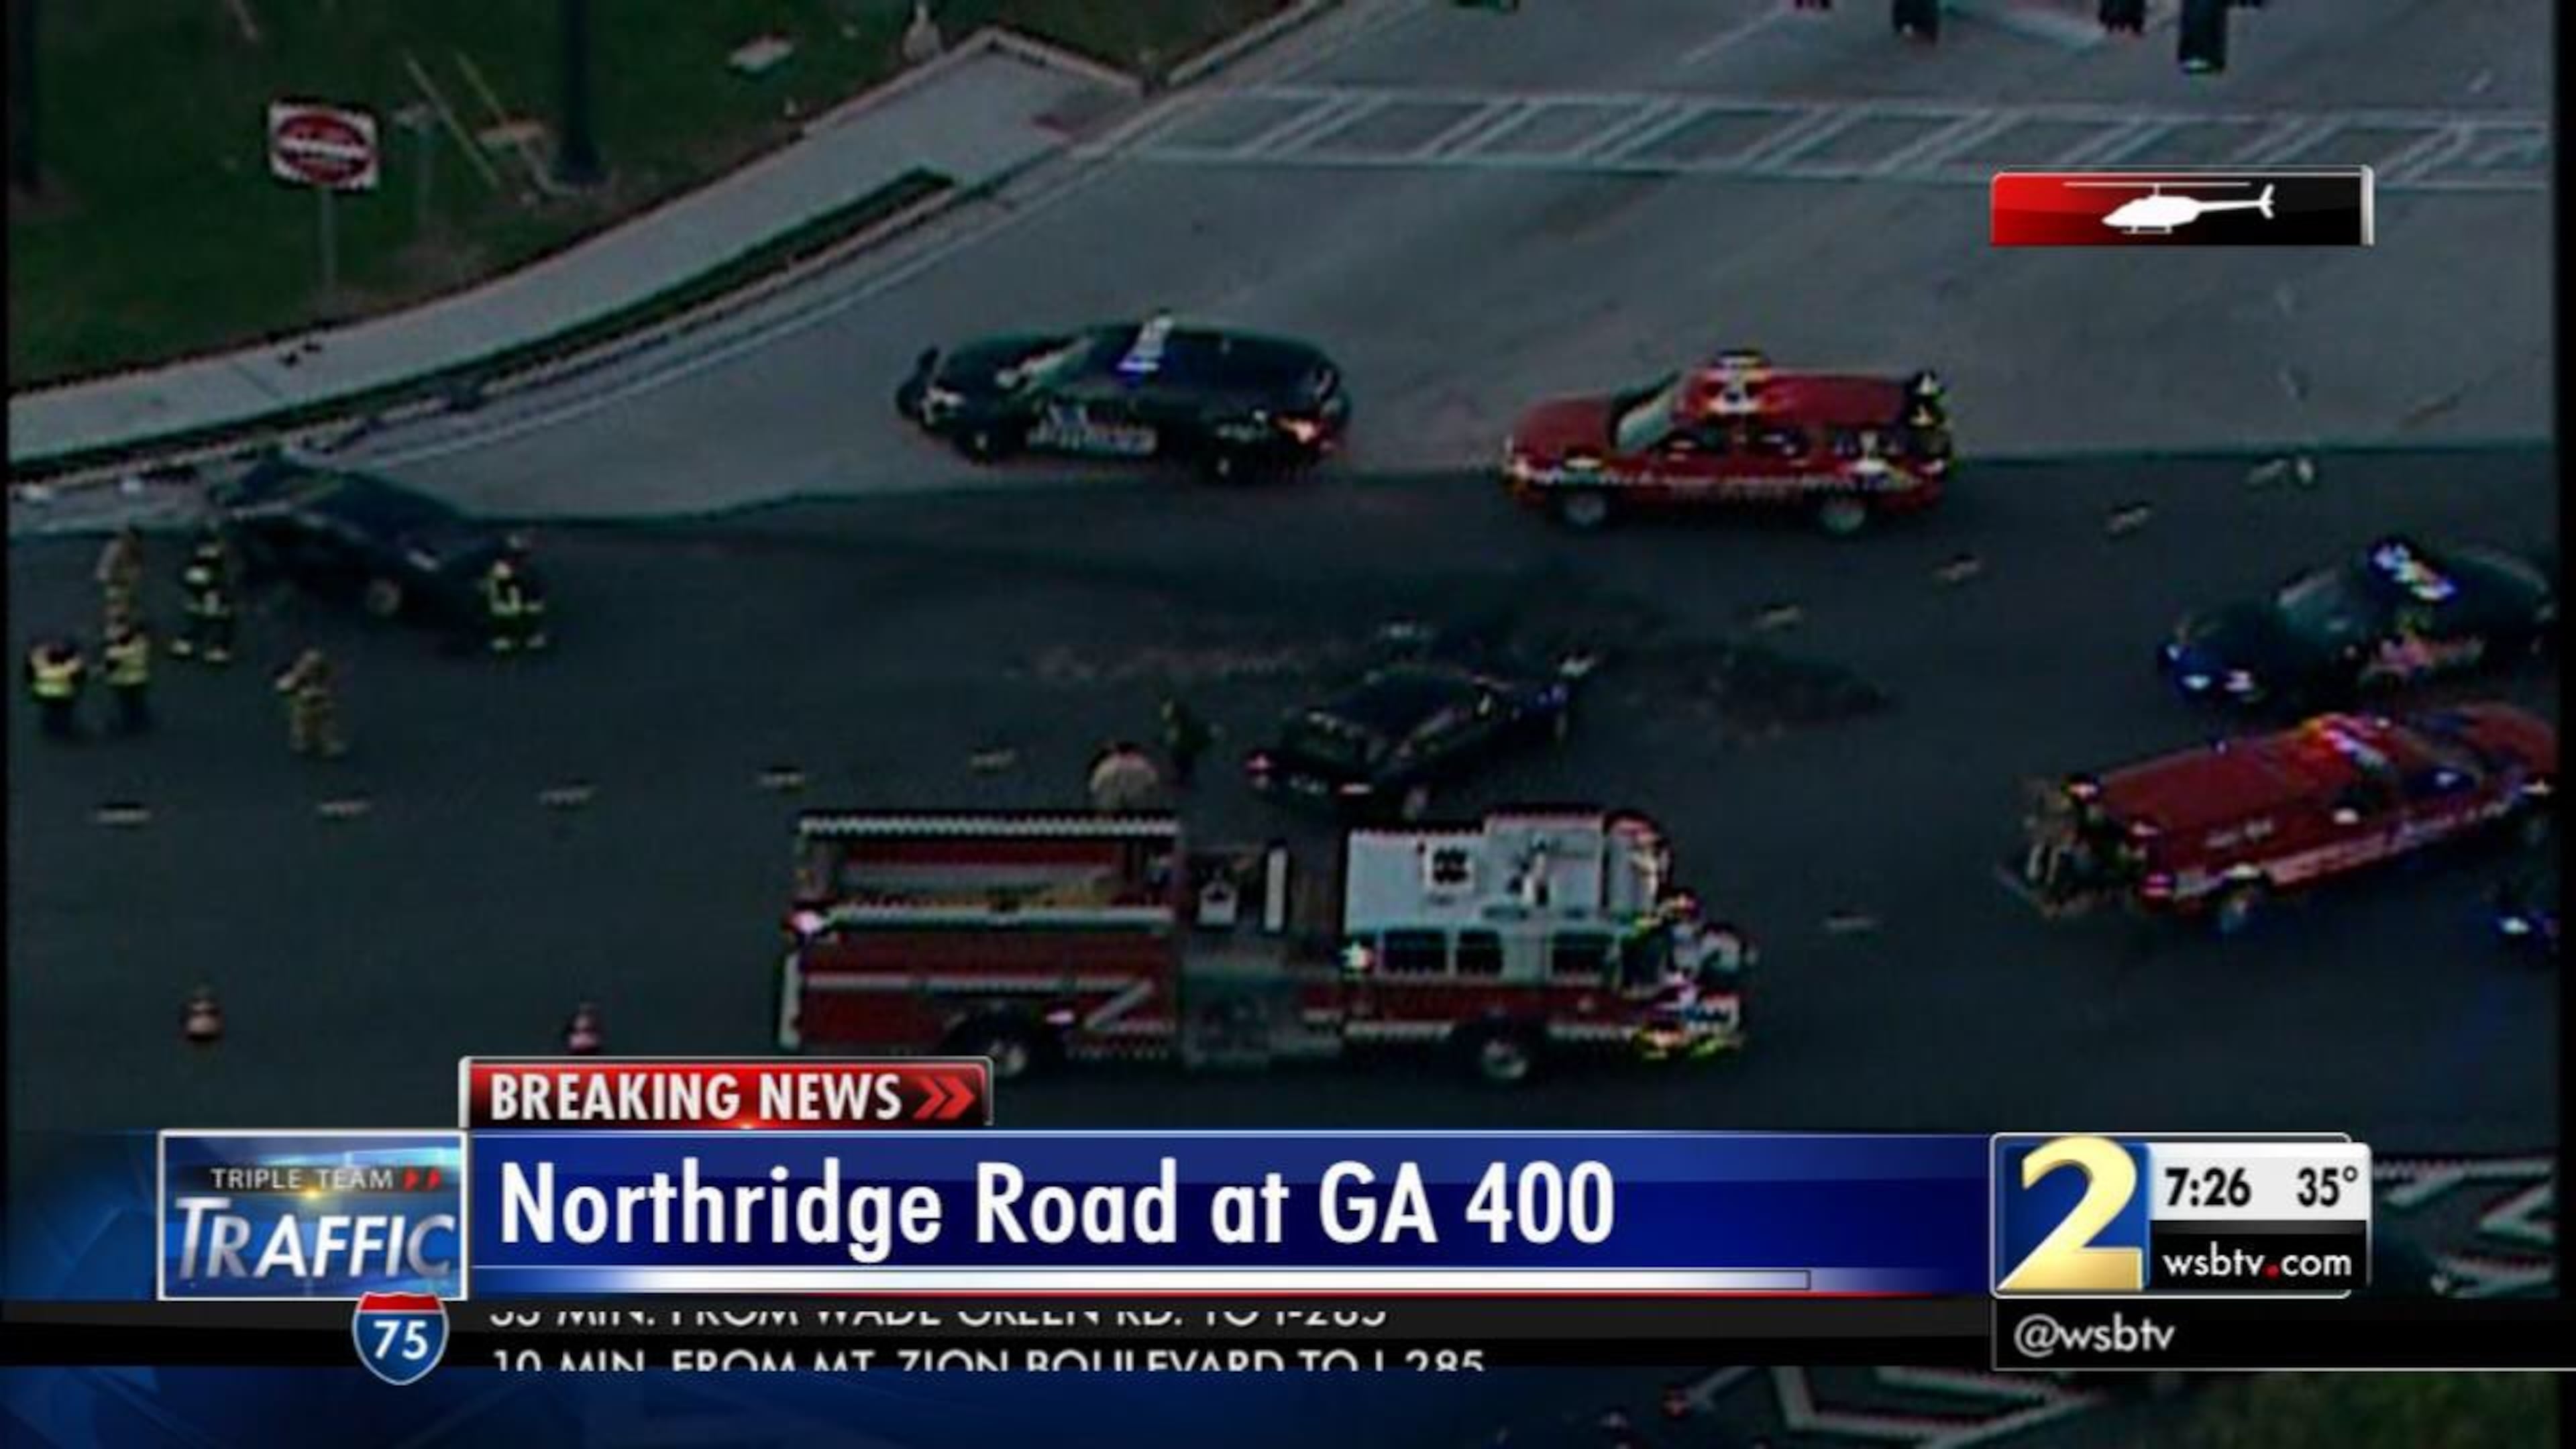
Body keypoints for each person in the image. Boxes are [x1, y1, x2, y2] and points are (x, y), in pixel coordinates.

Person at [173, 528, 237, 664]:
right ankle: (192, 640)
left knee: (219, 617)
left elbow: (226, 576)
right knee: (200, 616)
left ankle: (219, 646)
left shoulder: (223, 564)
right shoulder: (198, 561)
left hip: (216, 593)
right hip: (204, 592)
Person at [274, 648, 346, 758]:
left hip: (321, 709)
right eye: (308, 666)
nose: (311, 670)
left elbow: (330, 692)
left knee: (325, 727)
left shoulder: (323, 679)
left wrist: (322, 697)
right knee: (302, 726)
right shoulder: (296, 678)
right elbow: (283, 688)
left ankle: (328, 744)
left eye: (315, 666)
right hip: (302, 708)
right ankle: (303, 740)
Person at [25, 637, 87, 740]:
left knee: (50, 711)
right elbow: (79, 674)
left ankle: (50, 728)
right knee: (64, 712)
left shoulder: (41, 664)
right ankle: (62, 729)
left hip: (44, 693)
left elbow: (30, 672)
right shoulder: (69, 667)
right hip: (65, 693)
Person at [101, 621, 153, 735]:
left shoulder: (115, 652)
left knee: (124, 704)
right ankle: (142, 723)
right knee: (138, 702)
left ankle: (128, 726)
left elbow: (110, 667)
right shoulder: (141, 645)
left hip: (122, 681)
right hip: (140, 678)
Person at [1087, 741, 1161, 812]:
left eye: (1131, 754)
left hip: (1134, 794)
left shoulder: (1139, 762)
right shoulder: (1112, 763)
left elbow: (1151, 775)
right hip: (1115, 793)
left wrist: (1152, 784)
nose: (1128, 757)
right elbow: (1100, 776)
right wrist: (1094, 787)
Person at [95, 525, 145, 627]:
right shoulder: (115, 548)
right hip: (118, 585)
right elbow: (102, 574)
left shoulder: (135, 551)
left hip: (124, 587)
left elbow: (136, 570)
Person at [482, 555, 532, 653]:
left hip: (507, 609)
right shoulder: (495, 581)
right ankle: (507, 639)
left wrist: (515, 606)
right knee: (503, 622)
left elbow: (514, 596)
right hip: (501, 609)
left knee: (509, 622)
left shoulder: (510, 584)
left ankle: (512, 639)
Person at [1160, 697, 1210, 787]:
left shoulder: (1184, 728)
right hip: (1184, 749)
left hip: (1186, 750)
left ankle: (1184, 779)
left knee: (1182, 758)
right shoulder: (1177, 728)